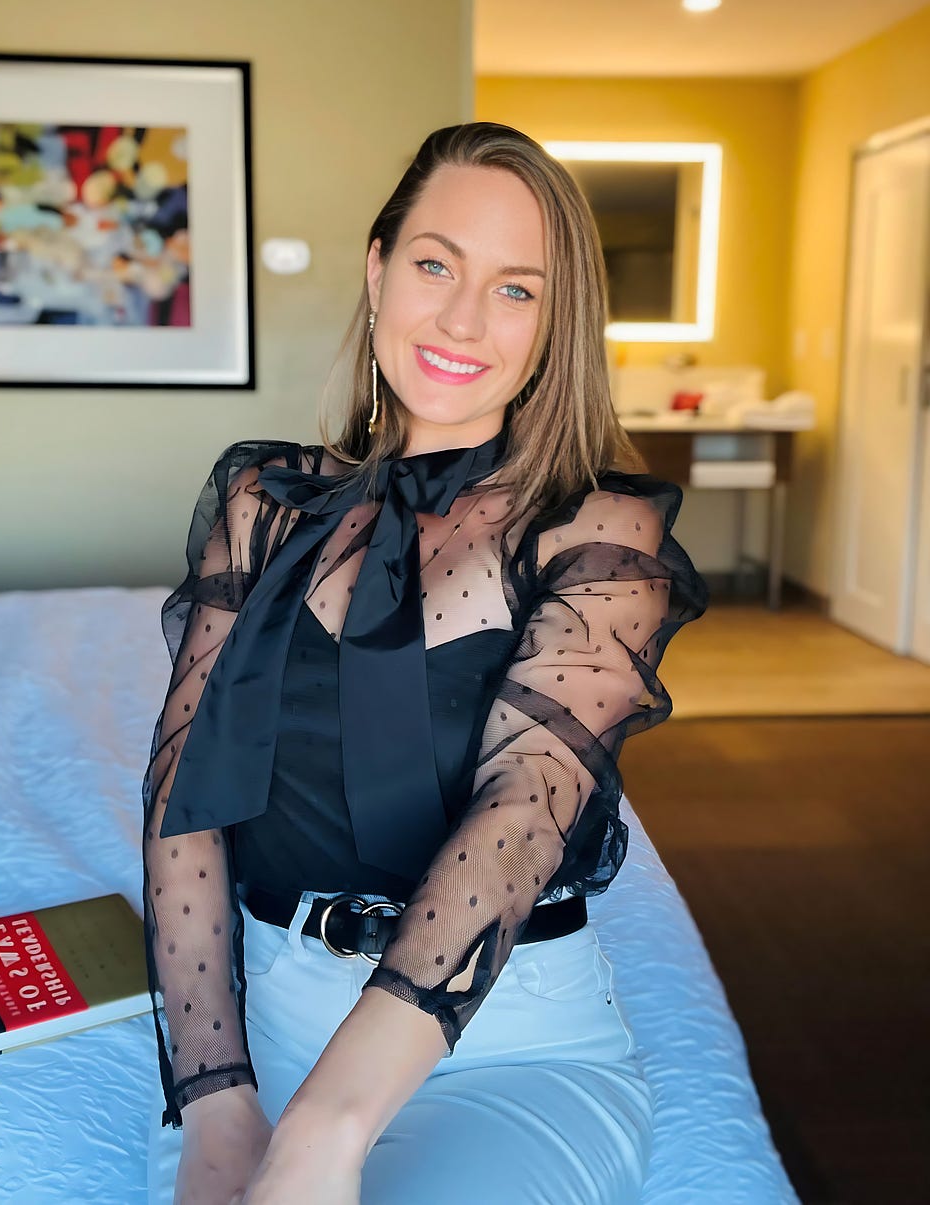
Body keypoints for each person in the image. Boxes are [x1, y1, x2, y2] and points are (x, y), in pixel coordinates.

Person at [142, 121, 709, 1205]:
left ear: (554, 326)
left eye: (515, 289)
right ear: (378, 271)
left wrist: (324, 1131)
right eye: (436, 265)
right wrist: (215, 1096)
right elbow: (183, 795)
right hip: (266, 1021)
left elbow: (524, 810)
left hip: (507, 1048)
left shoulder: (596, 533)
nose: (461, 319)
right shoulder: (267, 504)